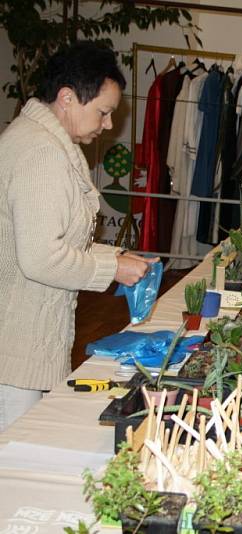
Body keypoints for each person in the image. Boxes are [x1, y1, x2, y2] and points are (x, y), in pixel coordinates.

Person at [0, 41, 155, 431]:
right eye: (103, 112)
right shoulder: (41, 152)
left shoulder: (43, 142)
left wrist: (119, 256)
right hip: (13, 352)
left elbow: (49, 237)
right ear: (67, 98)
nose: (107, 125)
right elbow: (40, 257)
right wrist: (112, 268)